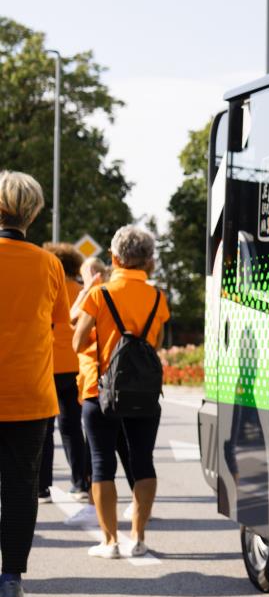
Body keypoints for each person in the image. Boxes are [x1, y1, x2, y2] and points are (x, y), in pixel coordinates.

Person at [72, 226, 170, 558]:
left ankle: (110, 542)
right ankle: (138, 538)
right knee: (143, 460)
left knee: (102, 463)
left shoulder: (100, 295)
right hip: (143, 392)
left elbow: (77, 342)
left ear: (114, 258)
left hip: (100, 389)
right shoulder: (157, 298)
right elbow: (155, 343)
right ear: (147, 260)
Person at [0, 171, 72, 597]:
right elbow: (58, 322)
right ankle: (11, 581)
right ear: (33, 213)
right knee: (21, 487)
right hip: (30, 394)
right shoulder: (49, 264)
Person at [39, 243, 90, 502]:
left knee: (44, 430)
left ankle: (42, 488)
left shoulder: (48, 288)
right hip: (75, 368)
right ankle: (80, 484)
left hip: (47, 367)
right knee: (72, 428)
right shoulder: (82, 292)